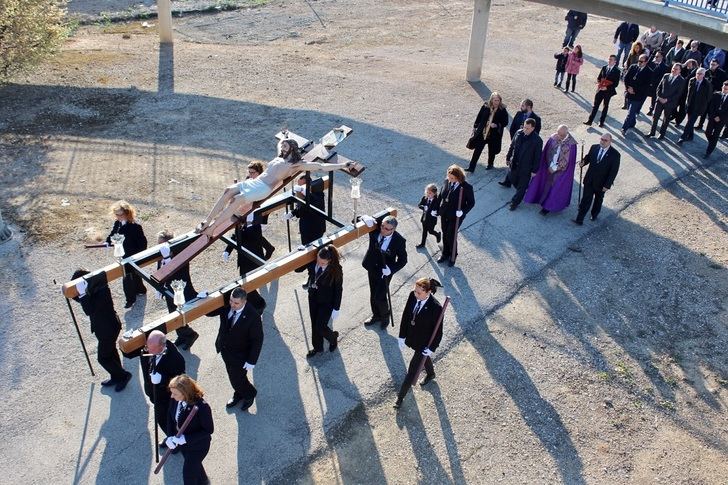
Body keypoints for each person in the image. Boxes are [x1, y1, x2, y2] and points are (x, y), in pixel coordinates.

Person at [196, 138, 357, 236]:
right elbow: (280, 142)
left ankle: (213, 228)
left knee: (237, 200)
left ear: (292, 148)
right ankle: (207, 221)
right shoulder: (279, 156)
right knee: (228, 191)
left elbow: (321, 167)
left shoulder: (296, 165)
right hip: (255, 182)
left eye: (286, 146)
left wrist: (343, 165)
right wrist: (285, 135)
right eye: (283, 146)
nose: (283, 147)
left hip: (263, 188)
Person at [72, 268, 132, 392]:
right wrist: (74, 292)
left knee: (103, 358)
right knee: (110, 352)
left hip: (108, 328)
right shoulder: (94, 288)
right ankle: (116, 375)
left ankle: (123, 376)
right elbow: (81, 299)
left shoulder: (102, 290)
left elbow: (88, 309)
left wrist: (82, 294)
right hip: (104, 328)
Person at [207, 288, 263, 410]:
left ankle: (249, 394)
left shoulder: (252, 316)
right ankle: (239, 393)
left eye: (236, 303)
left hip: (240, 355)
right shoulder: (227, 306)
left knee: (237, 378)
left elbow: (257, 340)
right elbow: (210, 312)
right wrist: (204, 299)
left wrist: (251, 361)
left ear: (244, 302)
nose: (232, 305)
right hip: (226, 350)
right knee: (234, 376)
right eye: (231, 301)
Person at [394, 277, 444, 410]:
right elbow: (406, 315)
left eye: (419, 293)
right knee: (423, 359)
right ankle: (431, 373)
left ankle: (400, 397)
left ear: (427, 292)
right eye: (415, 291)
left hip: (424, 343)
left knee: (412, 370)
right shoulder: (412, 296)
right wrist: (401, 336)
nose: (415, 295)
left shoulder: (436, 308)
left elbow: (438, 331)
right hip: (412, 337)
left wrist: (432, 348)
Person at [135, 330, 185, 447]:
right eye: (147, 346)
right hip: (153, 393)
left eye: (152, 348)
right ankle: (170, 436)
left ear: (162, 346)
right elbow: (130, 353)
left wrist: (162, 379)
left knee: (167, 420)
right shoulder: (148, 349)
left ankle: (174, 441)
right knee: (161, 419)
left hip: (166, 397)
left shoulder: (175, 359)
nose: (148, 350)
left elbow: (179, 381)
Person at [360, 215, 408, 329]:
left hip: (385, 271)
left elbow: (403, 260)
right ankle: (376, 315)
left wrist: (391, 269)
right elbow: (355, 221)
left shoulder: (399, 241)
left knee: (380, 296)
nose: (382, 230)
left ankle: (385, 317)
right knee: (373, 293)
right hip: (372, 267)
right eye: (382, 226)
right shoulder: (376, 229)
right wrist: (363, 217)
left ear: (393, 229)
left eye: (386, 229)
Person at [166, 374, 214, 485]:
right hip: (183, 445)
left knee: (188, 475)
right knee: (194, 465)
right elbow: (170, 415)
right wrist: (169, 436)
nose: (172, 396)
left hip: (198, 446)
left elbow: (208, 430)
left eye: (175, 394)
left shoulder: (202, 407)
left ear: (185, 393)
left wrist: (185, 438)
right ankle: (203, 481)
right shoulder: (175, 399)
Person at [156, 230, 200, 350]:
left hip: (181, 290)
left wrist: (167, 258)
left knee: (180, 314)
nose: (159, 247)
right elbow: (160, 270)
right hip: (169, 290)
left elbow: (176, 271)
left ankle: (190, 335)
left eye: (161, 244)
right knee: (173, 314)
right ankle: (182, 335)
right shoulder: (161, 254)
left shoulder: (181, 253)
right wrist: (159, 287)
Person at [523, 125, 578, 215]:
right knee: (543, 183)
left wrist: (555, 168)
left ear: (566, 134)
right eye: (558, 133)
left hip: (561, 171)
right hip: (548, 166)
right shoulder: (553, 137)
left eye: (561, 135)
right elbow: (546, 151)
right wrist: (548, 165)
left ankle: (547, 207)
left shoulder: (571, 144)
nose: (559, 137)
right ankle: (538, 198)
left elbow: (568, 161)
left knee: (555, 188)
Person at [106, 200, 147, 308]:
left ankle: (131, 298)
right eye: (117, 215)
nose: (118, 217)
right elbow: (112, 234)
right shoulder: (117, 224)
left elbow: (142, 243)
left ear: (127, 213)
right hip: (123, 255)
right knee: (130, 275)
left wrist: (138, 256)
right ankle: (139, 290)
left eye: (121, 214)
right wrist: (108, 241)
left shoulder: (135, 227)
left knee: (129, 277)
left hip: (133, 256)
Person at [573, 134, 620, 225]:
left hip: (602, 184)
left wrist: (607, 185)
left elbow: (613, 172)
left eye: (605, 140)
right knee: (586, 198)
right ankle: (580, 219)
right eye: (601, 139)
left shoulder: (615, 155)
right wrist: (583, 162)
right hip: (590, 180)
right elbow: (588, 157)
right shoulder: (594, 147)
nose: (602, 141)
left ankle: (594, 214)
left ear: (610, 141)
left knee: (598, 199)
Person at [305, 245, 342, 358]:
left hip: (327, 302)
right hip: (313, 299)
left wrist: (336, 308)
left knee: (320, 326)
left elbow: (338, 289)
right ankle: (317, 347)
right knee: (314, 324)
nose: (319, 264)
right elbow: (298, 269)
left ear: (329, 261)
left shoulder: (336, 270)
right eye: (318, 261)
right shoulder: (313, 263)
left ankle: (333, 338)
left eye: (322, 263)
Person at [500, 118, 543, 211]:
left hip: (526, 168)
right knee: (513, 179)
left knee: (522, 187)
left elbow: (537, 157)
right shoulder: (518, 133)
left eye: (527, 128)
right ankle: (519, 191)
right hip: (514, 163)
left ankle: (514, 202)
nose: (525, 130)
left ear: (533, 128)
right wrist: (508, 157)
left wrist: (534, 170)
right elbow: (512, 146)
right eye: (524, 127)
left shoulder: (537, 140)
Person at [437, 165, 475, 266]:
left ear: (458, 177)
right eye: (448, 177)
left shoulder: (466, 187)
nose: (449, 179)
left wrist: (463, 211)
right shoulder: (447, 181)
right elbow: (441, 195)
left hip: (456, 216)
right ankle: (445, 253)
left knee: (451, 235)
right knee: (445, 233)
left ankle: (453, 255)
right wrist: (436, 209)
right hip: (444, 213)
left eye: (452, 178)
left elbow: (471, 203)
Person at [467, 92, 509, 172]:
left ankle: (490, 164)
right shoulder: (486, 106)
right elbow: (479, 117)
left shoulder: (502, 110)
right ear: (491, 100)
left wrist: (496, 125)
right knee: (477, 150)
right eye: (495, 100)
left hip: (494, 134)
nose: (497, 102)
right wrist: (475, 126)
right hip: (483, 132)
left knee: (492, 150)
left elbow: (505, 122)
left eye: (498, 100)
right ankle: (471, 167)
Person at [646, 63, 687, 140]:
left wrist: (667, 100)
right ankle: (652, 132)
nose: (674, 70)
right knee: (655, 117)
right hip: (660, 100)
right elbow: (659, 87)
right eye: (673, 68)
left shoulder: (681, 80)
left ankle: (662, 133)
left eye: (676, 69)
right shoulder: (666, 75)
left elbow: (678, 94)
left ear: (680, 71)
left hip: (670, 103)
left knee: (666, 119)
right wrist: (659, 97)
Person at [678, 68, 713, 144]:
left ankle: (682, 137)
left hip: (698, 107)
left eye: (700, 74)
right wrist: (687, 103)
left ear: (703, 75)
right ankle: (691, 136)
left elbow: (709, 97)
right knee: (690, 121)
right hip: (690, 105)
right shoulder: (692, 80)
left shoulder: (707, 84)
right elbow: (689, 93)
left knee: (689, 123)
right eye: (697, 73)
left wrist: (703, 106)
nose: (698, 75)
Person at [584, 55, 621, 127]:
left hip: (608, 91)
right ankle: (590, 121)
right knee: (595, 106)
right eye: (609, 59)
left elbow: (615, 84)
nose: (609, 61)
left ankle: (601, 122)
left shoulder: (617, 71)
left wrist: (606, 88)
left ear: (615, 62)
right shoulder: (604, 67)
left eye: (611, 60)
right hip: (600, 89)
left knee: (605, 106)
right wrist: (599, 83)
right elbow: (599, 77)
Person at [621, 54, 652, 136]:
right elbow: (626, 78)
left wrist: (634, 90)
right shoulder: (633, 67)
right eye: (639, 61)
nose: (639, 63)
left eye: (641, 61)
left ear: (646, 62)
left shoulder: (649, 72)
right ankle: (632, 123)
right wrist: (628, 88)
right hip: (629, 93)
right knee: (630, 110)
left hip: (638, 96)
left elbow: (646, 87)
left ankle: (624, 128)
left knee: (630, 113)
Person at [698, 59, 728, 130]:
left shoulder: (722, 73)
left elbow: (724, 85)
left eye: (714, 65)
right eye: (711, 64)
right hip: (706, 95)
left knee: (713, 112)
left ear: (718, 65)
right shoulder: (707, 72)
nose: (711, 66)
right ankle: (700, 125)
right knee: (704, 110)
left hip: (716, 96)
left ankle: (712, 128)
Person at [703, 81, 728, 159]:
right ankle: (713, 143)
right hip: (713, 117)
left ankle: (708, 152)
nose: (724, 90)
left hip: (722, 120)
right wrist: (714, 116)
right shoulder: (716, 94)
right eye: (723, 88)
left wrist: (720, 118)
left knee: (716, 135)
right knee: (707, 132)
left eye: (726, 89)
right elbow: (711, 106)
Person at [416, 183, 441, 248]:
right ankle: (422, 244)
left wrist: (436, 213)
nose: (428, 194)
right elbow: (419, 205)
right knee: (424, 232)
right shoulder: (425, 198)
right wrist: (423, 207)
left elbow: (439, 210)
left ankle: (437, 234)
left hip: (432, 220)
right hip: (424, 218)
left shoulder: (437, 201)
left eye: (430, 193)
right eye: (427, 192)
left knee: (430, 231)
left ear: (434, 193)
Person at [646, 51, 669, 116]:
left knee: (653, 98)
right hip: (648, 84)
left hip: (656, 85)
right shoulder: (652, 63)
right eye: (655, 56)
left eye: (657, 56)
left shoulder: (665, 67)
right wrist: (652, 55)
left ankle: (651, 109)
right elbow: (647, 66)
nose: (655, 58)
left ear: (661, 57)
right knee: (643, 96)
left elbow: (662, 78)